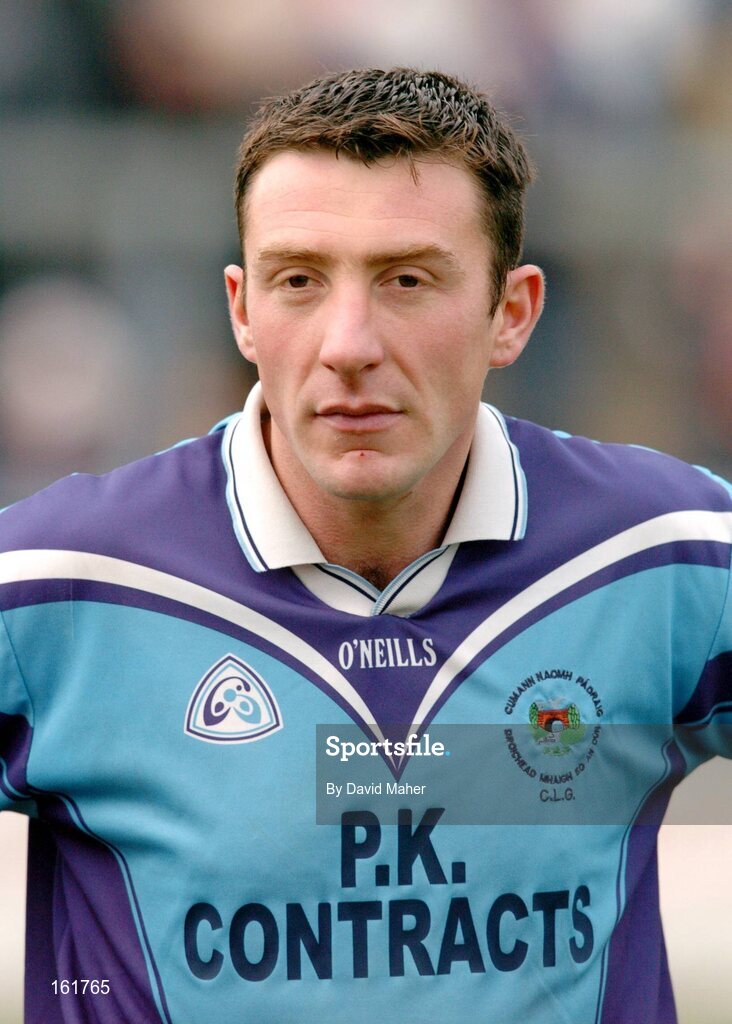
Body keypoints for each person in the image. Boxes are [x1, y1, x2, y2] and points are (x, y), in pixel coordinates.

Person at [0, 67, 730, 1024]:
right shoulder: (56, 591)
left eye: (407, 280)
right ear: (243, 310)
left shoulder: (666, 558)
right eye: (299, 281)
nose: (349, 344)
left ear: (512, 313)